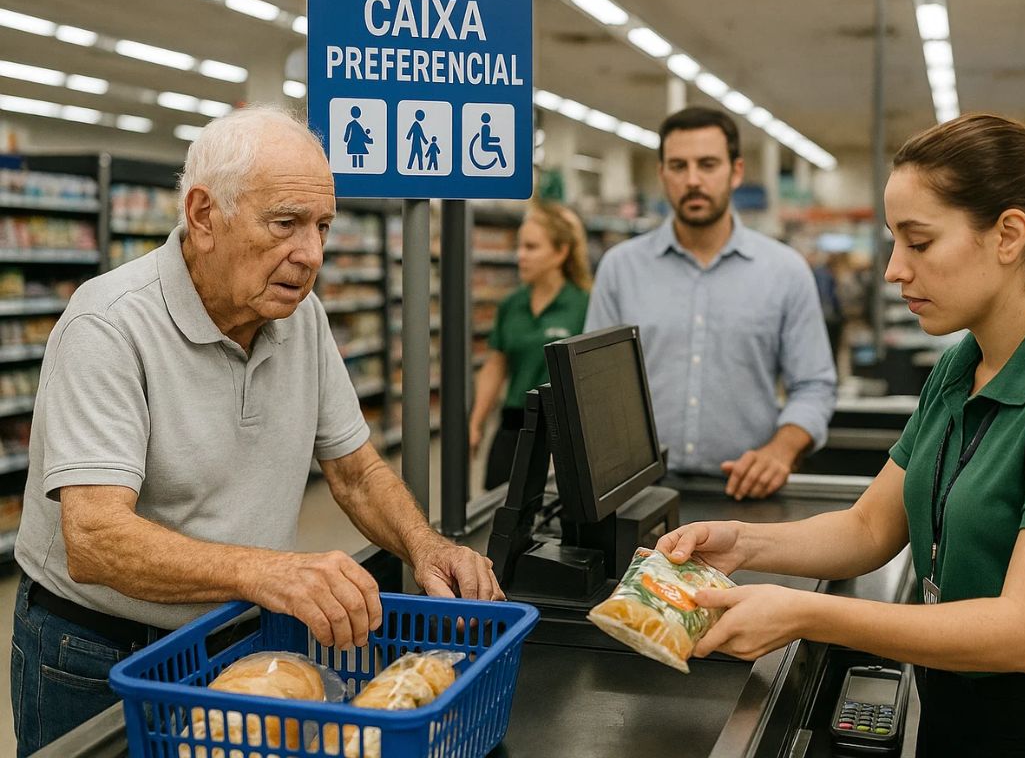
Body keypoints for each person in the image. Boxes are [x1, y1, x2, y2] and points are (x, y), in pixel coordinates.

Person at [10, 107, 501, 756]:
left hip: (238, 640)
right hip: (99, 655)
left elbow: (355, 472)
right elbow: (95, 539)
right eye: (285, 223)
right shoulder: (108, 325)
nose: (313, 255)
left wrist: (425, 546)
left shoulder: (303, 317)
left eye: (322, 226)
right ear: (203, 215)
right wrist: (269, 572)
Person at [658, 114, 1025, 756]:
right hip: (955, 713)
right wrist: (741, 543)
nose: (894, 270)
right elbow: (870, 528)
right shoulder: (961, 367)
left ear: (1009, 235)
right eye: (894, 242)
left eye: (919, 243)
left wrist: (805, 614)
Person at [586, 106, 836, 500]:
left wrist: (781, 450)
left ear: (736, 172)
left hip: (745, 491)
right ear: (662, 174)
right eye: (679, 166)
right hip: (637, 493)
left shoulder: (786, 271)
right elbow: (595, 386)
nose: (693, 180)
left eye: (707, 165)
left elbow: (814, 385)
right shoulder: (620, 268)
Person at [469, 202, 591, 490]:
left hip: (563, 430)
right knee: (498, 505)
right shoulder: (511, 304)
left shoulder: (584, 304)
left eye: (531, 247)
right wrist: (476, 422)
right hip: (514, 424)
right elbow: (496, 366)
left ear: (561, 252)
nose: (520, 256)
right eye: (519, 246)